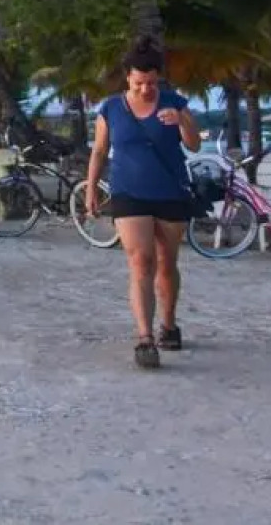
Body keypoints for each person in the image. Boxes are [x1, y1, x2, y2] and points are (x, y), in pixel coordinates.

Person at [85, 41, 201, 368]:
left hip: (169, 192)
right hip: (128, 192)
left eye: (151, 83)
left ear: (159, 79)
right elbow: (99, 150)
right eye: (139, 83)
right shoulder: (110, 108)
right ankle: (145, 338)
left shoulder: (174, 103)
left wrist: (181, 120)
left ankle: (169, 324)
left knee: (166, 262)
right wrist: (91, 188)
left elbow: (194, 144)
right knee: (140, 261)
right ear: (128, 79)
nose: (146, 89)